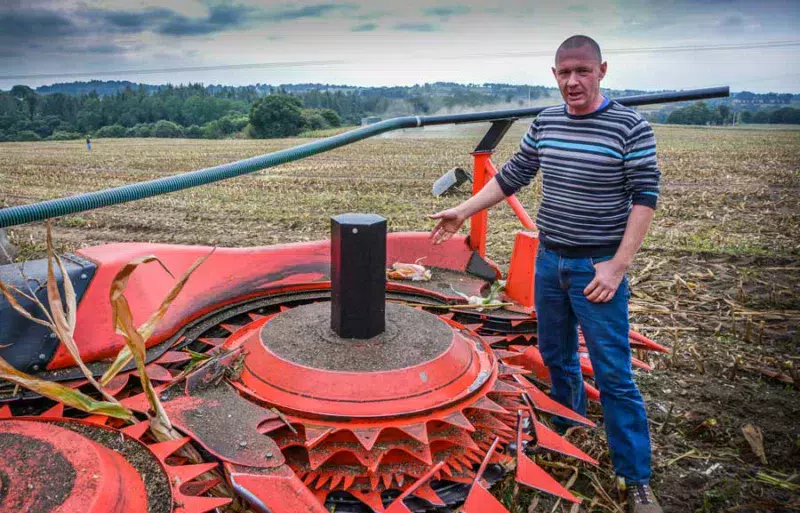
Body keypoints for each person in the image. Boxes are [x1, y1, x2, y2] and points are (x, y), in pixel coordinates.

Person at [429, 35, 662, 513]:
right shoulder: (548, 121)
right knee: (556, 353)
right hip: (550, 259)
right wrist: (462, 210)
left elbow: (645, 199)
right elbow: (512, 175)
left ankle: (636, 478)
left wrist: (617, 268)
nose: (572, 81)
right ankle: (570, 422)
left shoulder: (629, 127)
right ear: (554, 75)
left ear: (602, 70)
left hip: (596, 265)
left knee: (615, 374)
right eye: (563, 73)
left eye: (582, 71)